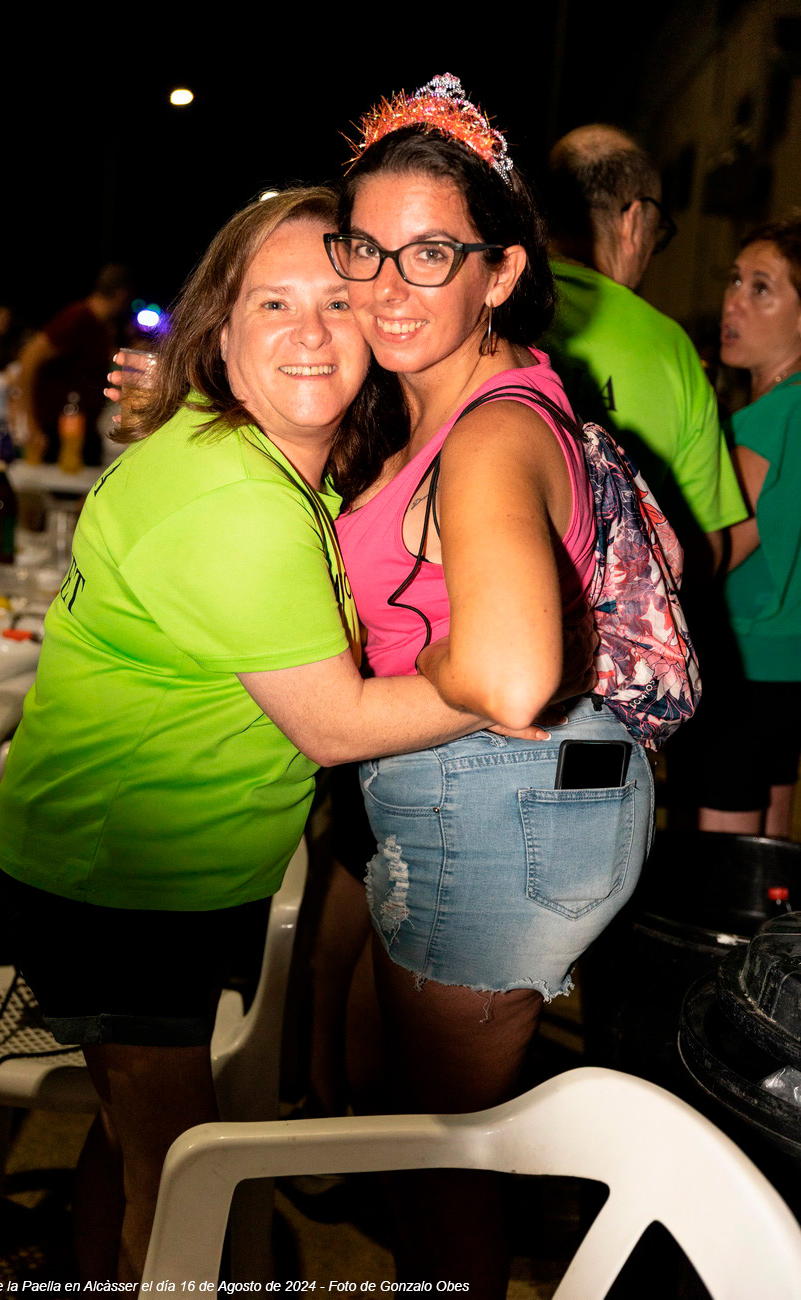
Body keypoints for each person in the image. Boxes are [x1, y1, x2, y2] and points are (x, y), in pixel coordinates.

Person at [0, 188, 532, 1284]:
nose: (309, 331)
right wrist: (502, 680)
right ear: (220, 334)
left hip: (155, 871)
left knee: (132, 1140)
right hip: (126, 884)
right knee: (180, 1177)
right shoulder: (233, 496)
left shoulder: (266, 457)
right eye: (271, 304)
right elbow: (336, 725)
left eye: (335, 302)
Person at [325, 76, 655, 1296]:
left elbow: (513, 676)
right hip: (519, 798)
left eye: (432, 255)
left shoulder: (489, 433)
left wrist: (369, 701)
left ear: (502, 271)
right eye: (366, 248)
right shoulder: (459, 403)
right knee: (409, 1116)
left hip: (496, 807)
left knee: (440, 1160)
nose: (387, 286)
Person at [542, 124, 745, 572]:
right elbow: (707, 549)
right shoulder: (671, 348)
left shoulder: (492, 301)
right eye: (658, 235)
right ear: (634, 219)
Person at [697, 217, 801, 838]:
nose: (733, 301)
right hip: (787, 668)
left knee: (724, 865)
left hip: (745, 662)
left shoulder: (771, 420)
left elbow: (714, 552)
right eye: (735, 280)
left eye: (761, 288)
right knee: (773, 854)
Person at [15, 264, 132, 466]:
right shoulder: (77, 318)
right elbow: (29, 357)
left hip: (82, 432)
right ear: (121, 295)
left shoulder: (101, 325)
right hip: (56, 433)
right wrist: (31, 423)